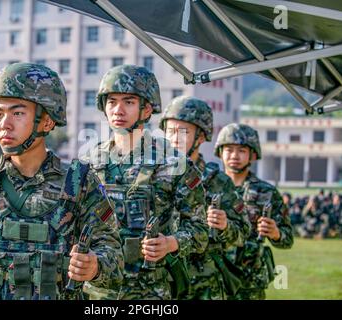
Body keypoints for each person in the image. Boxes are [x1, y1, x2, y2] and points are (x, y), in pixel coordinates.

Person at [0, 63, 123, 300]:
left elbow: (115, 261)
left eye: (17, 113)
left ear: (47, 121)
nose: (4, 124)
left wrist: (95, 266)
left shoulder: (80, 183)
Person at [82, 65, 208, 300]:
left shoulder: (174, 163)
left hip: (149, 292)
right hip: (96, 291)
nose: (118, 109)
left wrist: (170, 243)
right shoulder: (88, 161)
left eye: (128, 102)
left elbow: (200, 231)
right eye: (112, 101)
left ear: (147, 109)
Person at [159, 95, 250, 300]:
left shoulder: (217, 182)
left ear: (200, 137)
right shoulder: (151, 177)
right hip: (159, 285)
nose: (174, 138)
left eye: (183, 132)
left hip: (203, 287)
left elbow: (244, 233)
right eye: (170, 131)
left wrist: (225, 226)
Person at [214, 123, 293, 300]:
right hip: (212, 281)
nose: (234, 155)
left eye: (242, 150)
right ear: (220, 152)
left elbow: (287, 240)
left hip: (249, 284)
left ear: (253, 155)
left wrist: (275, 233)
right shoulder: (206, 187)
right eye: (229, 149)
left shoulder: (267, 193)